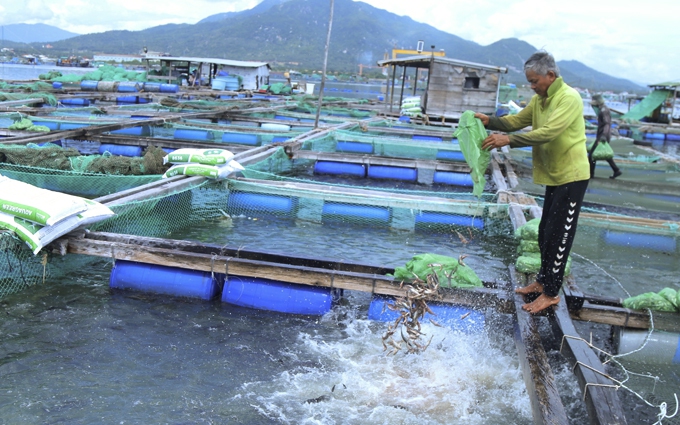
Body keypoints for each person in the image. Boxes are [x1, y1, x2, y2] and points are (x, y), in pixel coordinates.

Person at [473, 51, 590, 314]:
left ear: (550, 75)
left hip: (572, 176)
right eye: (530, 82)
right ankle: (541, 281)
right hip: (554, 174)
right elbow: (516, 121)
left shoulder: (568, 98)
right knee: (544, 232)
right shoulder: (540, 100)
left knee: (560, 236)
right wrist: (490, 121)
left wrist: (509, 140)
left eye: (535, 81)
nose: (532, 86)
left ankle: (550, 293)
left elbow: (548, 133)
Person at [589, 94, 622, 179]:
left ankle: (590, 174)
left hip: (603, 135)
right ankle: (616, 170)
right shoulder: (603, 109)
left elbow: (607, 124)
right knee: (604, 154)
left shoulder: (603, 110)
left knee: (592, 155)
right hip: (603, 135)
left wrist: (602, 137)